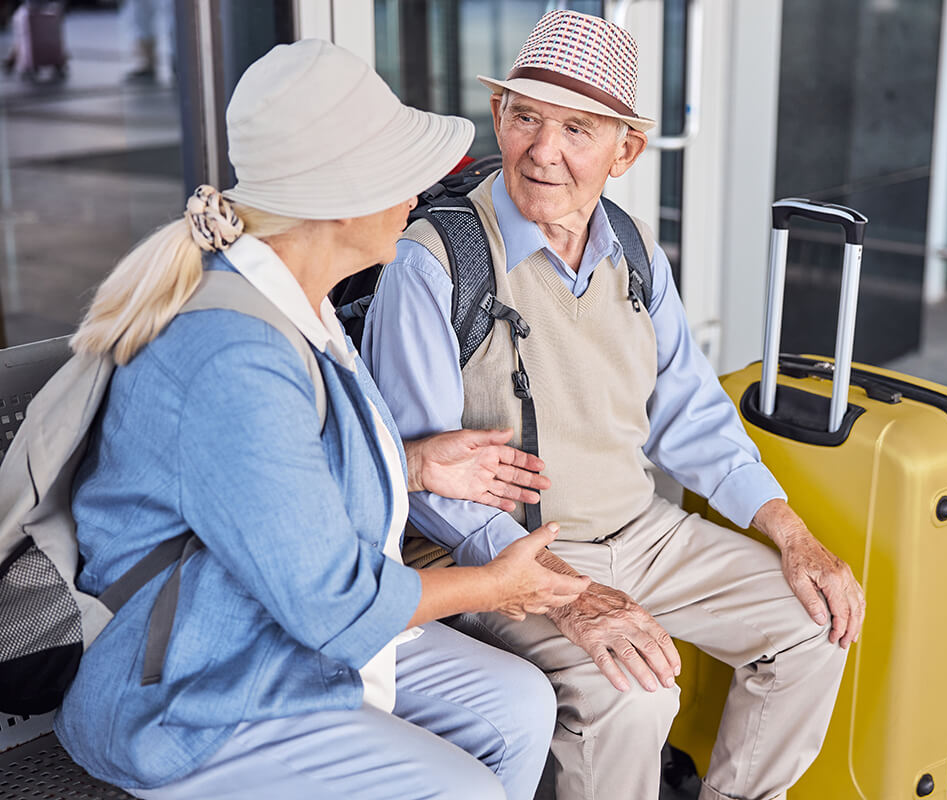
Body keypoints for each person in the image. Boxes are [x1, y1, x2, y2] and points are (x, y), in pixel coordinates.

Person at [54, 38, 588, 800]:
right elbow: (331, 603)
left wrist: (413, 464)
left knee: (519, 705)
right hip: (191, 689)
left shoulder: (299, 299)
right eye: (404, 175)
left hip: (262, 619)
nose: (422, 192)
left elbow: (269, 481)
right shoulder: (229, 353)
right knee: (461, 788)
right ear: (343, 199)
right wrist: (493, 586)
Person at [362, 11, 867, 800]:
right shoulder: (434, 264)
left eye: (578, 129)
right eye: (525, 116)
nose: (543, 150)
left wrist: (793, 533)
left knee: (815, 626)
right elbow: (426, 491)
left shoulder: (631, 248)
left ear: (625, 150)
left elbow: (692, 416)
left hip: (644, 531)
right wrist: (574, 595)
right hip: (506, 556)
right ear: (499, 116)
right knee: (634, 698)